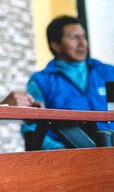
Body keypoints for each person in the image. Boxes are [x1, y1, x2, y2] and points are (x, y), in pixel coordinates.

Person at [25, 16, 114, 149]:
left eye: (83, 37)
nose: (82, 43)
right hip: (68, 155)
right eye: (74, 37)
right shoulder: (40, 81)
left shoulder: (109, 73)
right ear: (56, 45)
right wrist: (62, 152)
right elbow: (31, 129)